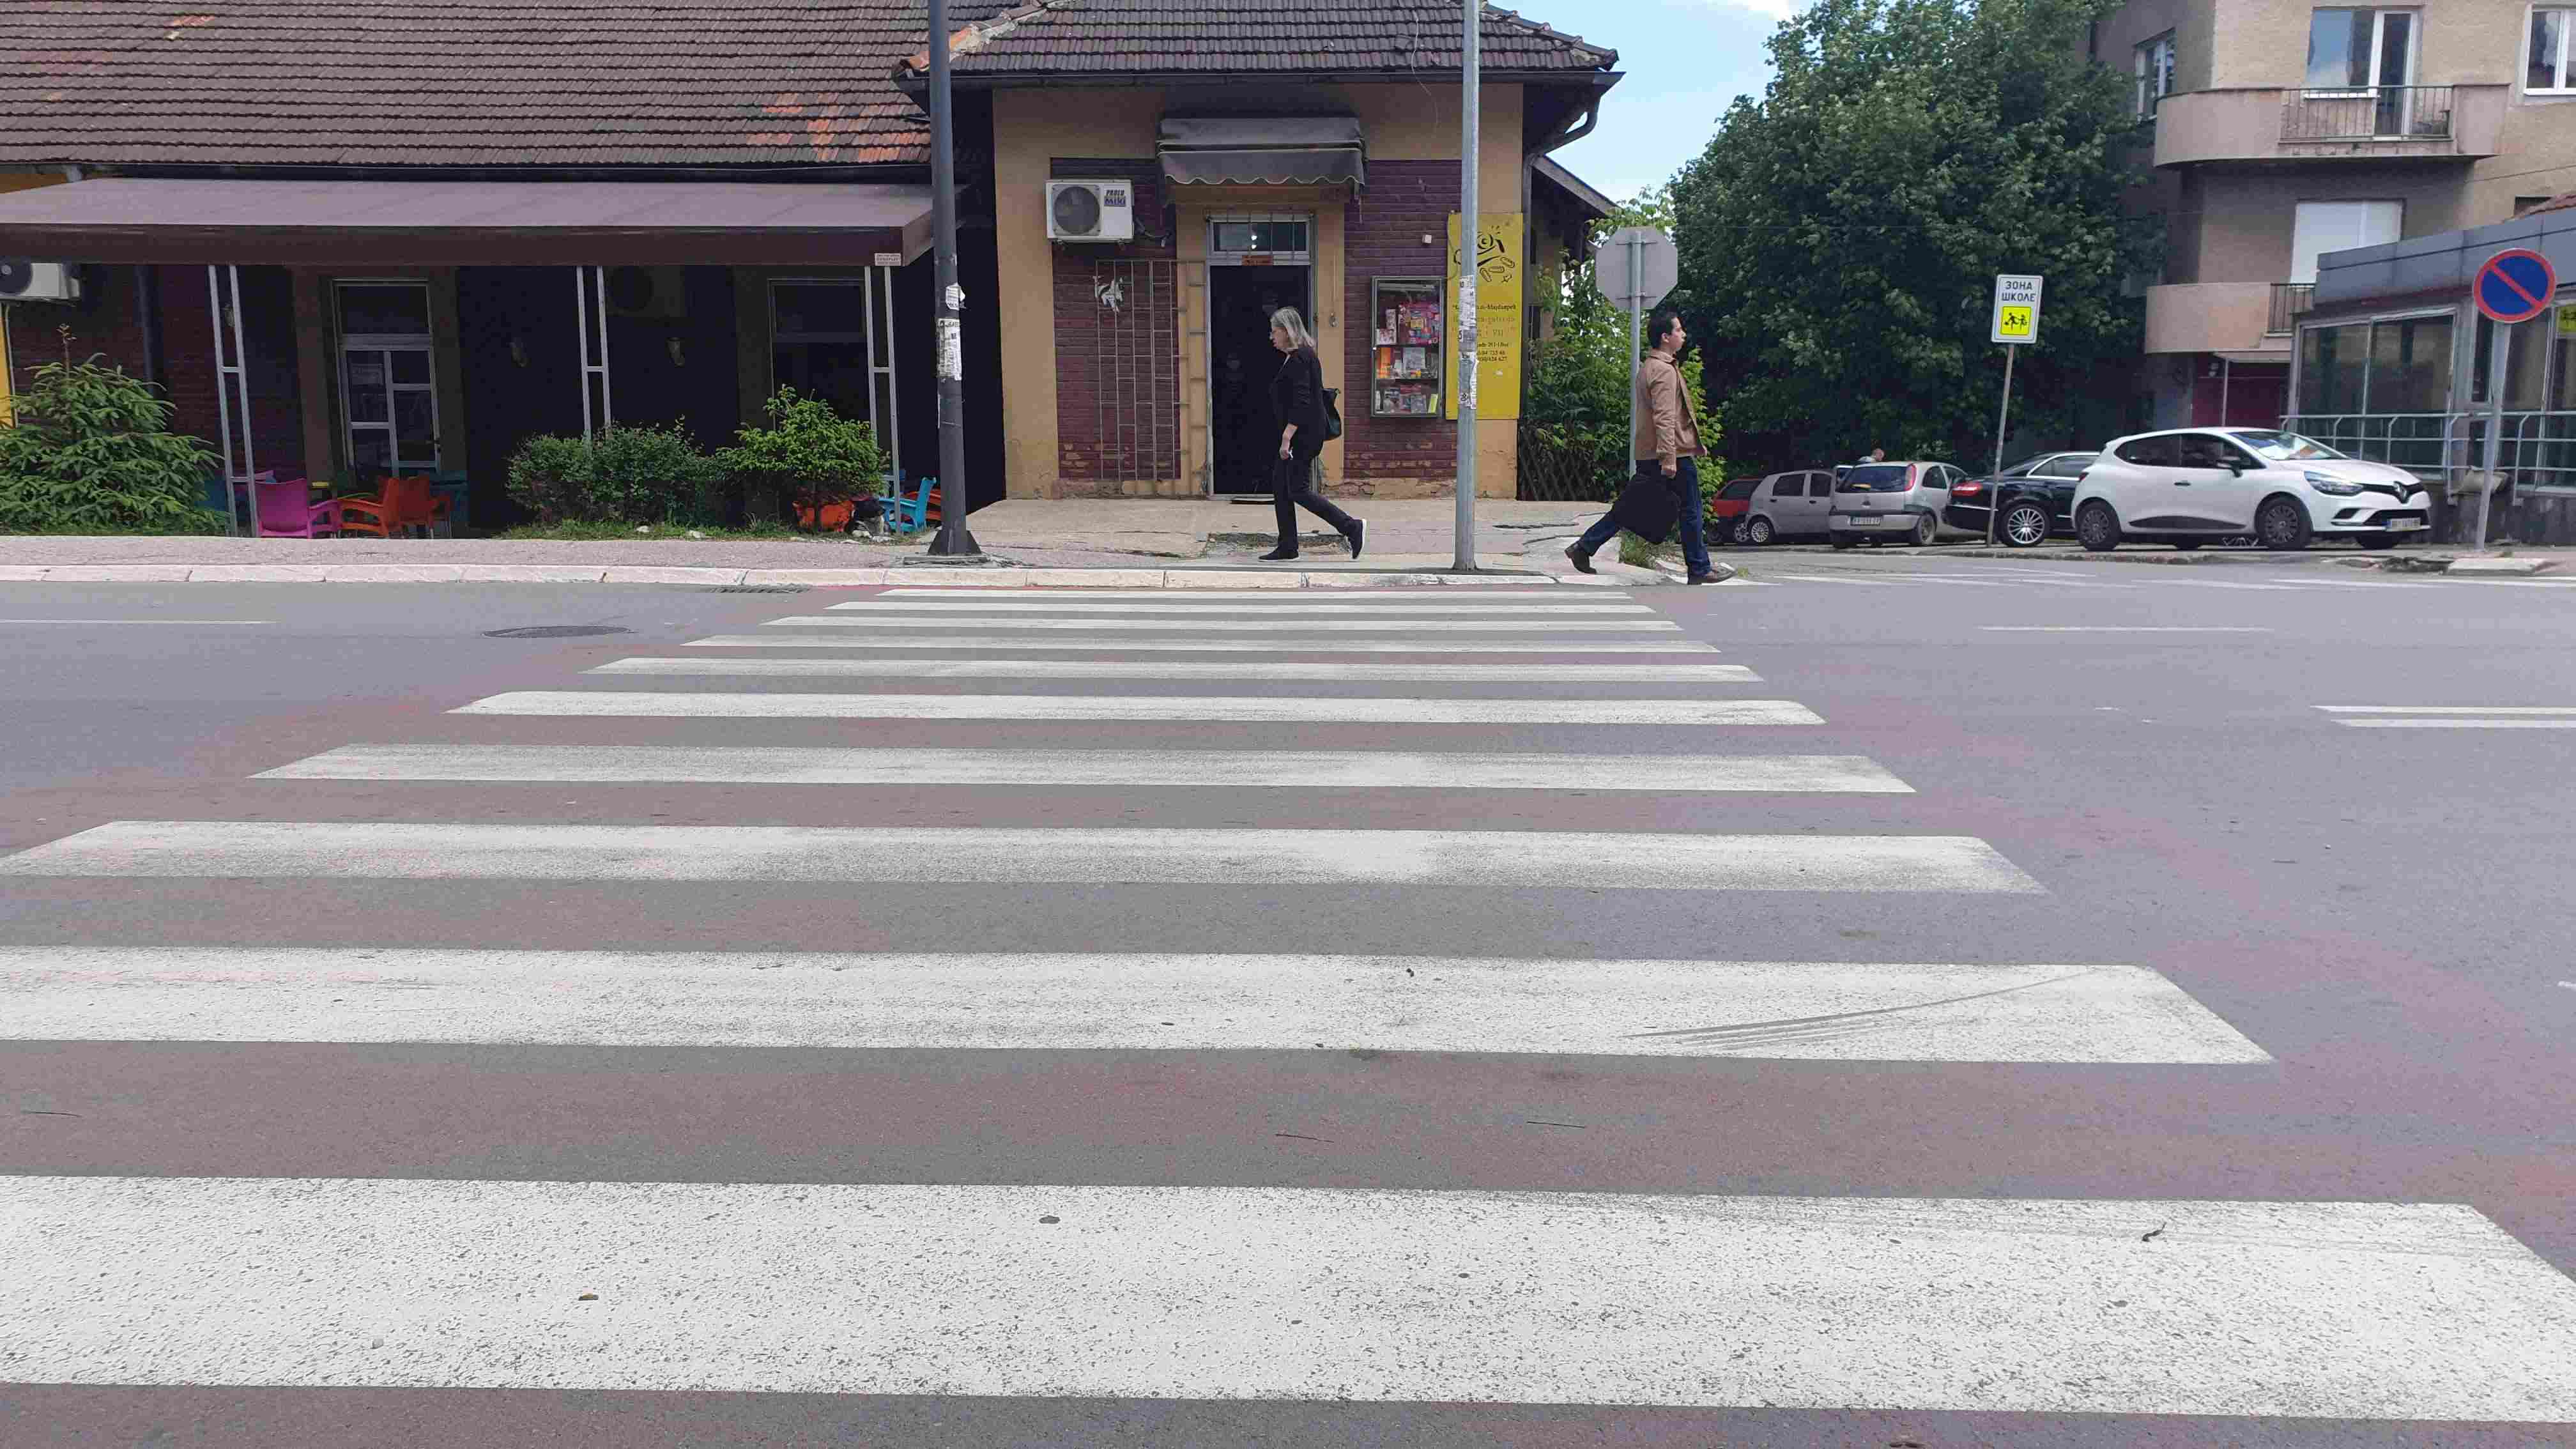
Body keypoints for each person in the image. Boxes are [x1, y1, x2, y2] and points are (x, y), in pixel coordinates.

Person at [1564, 309, 1722, 584]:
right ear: (1665, 337)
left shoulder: (1649, 367)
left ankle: (1584, 547)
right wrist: (1669, 458)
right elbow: (1665, 417)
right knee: (1691, 509)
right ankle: (1699, 569)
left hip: (1652, 452)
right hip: (1670, 454)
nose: (1683, 335)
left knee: (1631, 506)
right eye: (1678, 330)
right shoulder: (1663, 371)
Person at [1260, 306, 1365, 561]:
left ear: (1287, 331)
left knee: (1298, 489)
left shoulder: (1301, 358)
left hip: (1302, 436)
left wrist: (1287, 437)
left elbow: (1302, 401)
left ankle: (1351, 526)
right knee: (1281, 486)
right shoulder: (1296, 356)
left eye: (1274, 331)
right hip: (1301, 434)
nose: (1271, 337)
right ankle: (1288, 546)